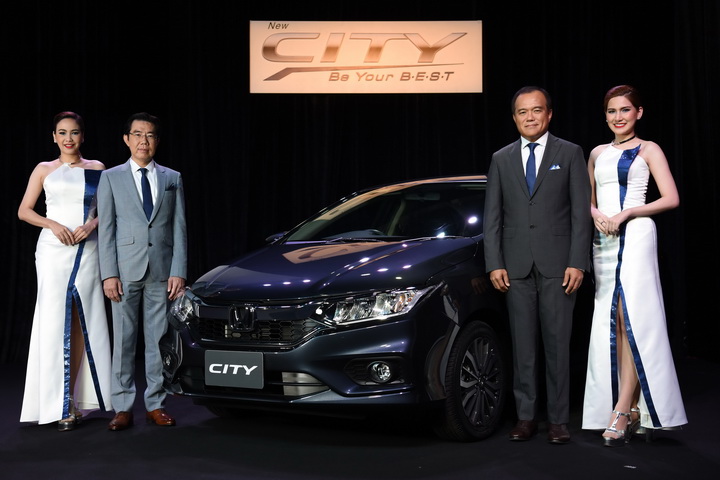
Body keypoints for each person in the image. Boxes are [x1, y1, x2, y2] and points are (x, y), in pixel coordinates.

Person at [484, 86, 592, 444]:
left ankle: (558, 420)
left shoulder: (570, 153)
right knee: (523, 348)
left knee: (558, 346)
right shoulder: (501, 158)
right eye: (522, 112)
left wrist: (578, 261)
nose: (530, 117)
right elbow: (492, 216)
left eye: (536, 110)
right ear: (514, 117)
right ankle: (526, 417)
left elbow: (580, 213)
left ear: (549, 114)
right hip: (514, 267)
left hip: (559, 266)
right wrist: (494, 262)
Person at [581, 85, 687, 446]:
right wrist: (596, 214)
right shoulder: (596, 153)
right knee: (612, 321)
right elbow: (586, 199)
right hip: (603, 241)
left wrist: (628, 213)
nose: (618, 117)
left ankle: (623, 408)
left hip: (637, 234)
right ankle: (631, 407)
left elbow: (671, 198)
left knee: (632, 319)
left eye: (625, 110)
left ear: (638, 113)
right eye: (611, 111)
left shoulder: (649, 149)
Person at [18, 111, 112, 431]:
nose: (68, 138)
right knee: (54, 320)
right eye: (62, 132)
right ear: (54, 137)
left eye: (74, 132)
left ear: (82, 136)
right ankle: (57, 402)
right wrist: (52, 224)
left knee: (84, 319)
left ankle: (76, 399)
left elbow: (109, 209)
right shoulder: (44, 169)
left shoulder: (97, 168)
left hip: (88, 249)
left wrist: (91, 225)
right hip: (52, 250)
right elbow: (24, 211)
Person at [97, 112, 187, 431]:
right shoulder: (111, 177)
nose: (143, 141)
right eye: (137, 134)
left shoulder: (172, 177)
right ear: (127, 139)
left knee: (158, 340)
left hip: (161, 271)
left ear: (156, 141)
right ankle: (122, 406)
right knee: (124, 340)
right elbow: (106, 229)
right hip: (124, 271)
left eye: (149, 135)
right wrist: (109, 273)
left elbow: (179, 228)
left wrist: (179, 271)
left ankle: (156, 404)